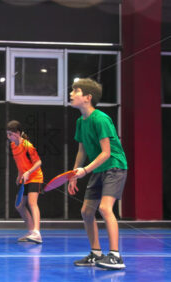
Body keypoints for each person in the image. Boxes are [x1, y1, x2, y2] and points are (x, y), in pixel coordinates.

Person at [68, 78, 128, 270]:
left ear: (87, 97)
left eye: (75, 91)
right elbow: (82, 151)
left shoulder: (100, 119)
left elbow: (106, 152)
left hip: (114, 166)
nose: (71, 94)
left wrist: (85, 170)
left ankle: (115, 256)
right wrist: (73, 174)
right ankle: (96, 253)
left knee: (104, 208)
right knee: (86, 211)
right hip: (98, 168)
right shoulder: (80, 121)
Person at [7, 120, 44, 244]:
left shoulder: (27, 145)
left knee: (32, 203)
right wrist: (19, 175)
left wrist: (28, 172)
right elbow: (20, 163)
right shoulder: (13, 146)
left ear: (17, 133)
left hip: (35, 177)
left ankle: (37, 233)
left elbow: (38, 162)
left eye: (10, 134)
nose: (9, 137)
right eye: (7, 134)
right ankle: (31, 232)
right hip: (25, 178)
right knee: (19, 205)